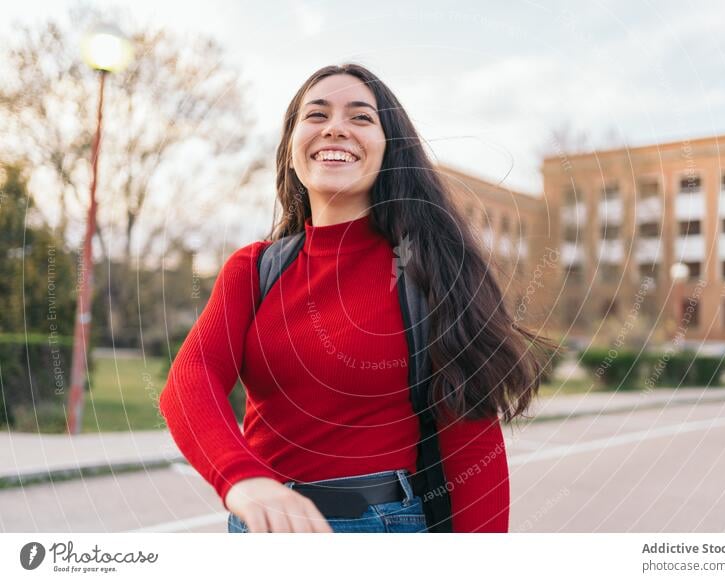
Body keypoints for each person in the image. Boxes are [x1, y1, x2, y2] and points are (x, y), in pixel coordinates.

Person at [159, 63, 551, 533]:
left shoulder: (429, 272)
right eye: (317, 114)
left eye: (361, 118)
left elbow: (471, 442)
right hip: (261, 533)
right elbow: (191, 377)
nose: (336, 128)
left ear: (390, 152)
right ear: (289, 150)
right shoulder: (252, 269)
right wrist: (242, 478)